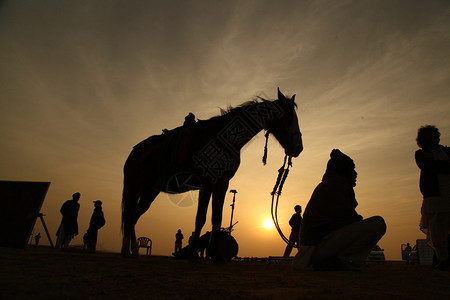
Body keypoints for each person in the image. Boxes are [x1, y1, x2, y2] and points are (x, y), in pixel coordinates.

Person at [293, 149, 386, 271]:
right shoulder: (337, 185)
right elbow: (346, 219)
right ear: (344, 171)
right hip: (317, 249)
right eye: (352, 170)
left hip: (312, 248)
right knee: (378, 224)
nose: (355, 174)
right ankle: (342, 261)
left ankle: (341, 261)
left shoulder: (328, 185)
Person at [415, 125, 450, 270]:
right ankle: (443, 260)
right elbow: (429, 166)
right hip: (434, 197)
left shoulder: (446, 151)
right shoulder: (421, 154)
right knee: (437, 230)